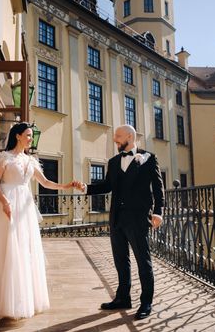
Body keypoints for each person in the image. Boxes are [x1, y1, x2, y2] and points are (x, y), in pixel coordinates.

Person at [0, 122, 77, 324]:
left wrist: (67, 185)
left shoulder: (31, 161)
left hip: (25, 208)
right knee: (5, 248)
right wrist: (5, 202)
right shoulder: (5, 158)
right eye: (28, 135)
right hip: (6, 204)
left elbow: (46, 183)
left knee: (24, 249)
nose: (31, 138)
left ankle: (20, 300)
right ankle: (1, 299)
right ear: (18, 136)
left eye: (31, 135)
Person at [77, 124, 164, 320]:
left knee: (143, 261)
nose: (115, 139)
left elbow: (158, 188)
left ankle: (146, 302)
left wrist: (158, 212)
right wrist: (86, 188)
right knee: (120, 261)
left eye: (118, 136)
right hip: (117, 218)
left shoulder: (148, 158)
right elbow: (107, 186)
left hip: (138, 218)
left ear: (130, 137)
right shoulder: (114, 161)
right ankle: (123, 298)